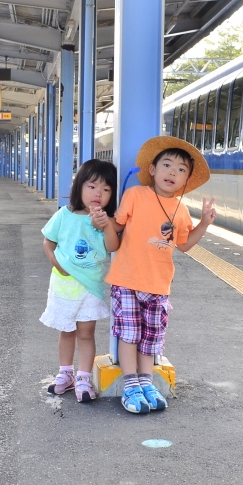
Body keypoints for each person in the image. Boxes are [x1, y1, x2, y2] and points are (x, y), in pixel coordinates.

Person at [104, 136, 216, 414]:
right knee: (129, 334)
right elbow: (116, 227)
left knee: (150, 338)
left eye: (181, 170)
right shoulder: (135, 195)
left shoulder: (181, 210)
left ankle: (146, 382)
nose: (172, 173)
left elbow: (185, 244)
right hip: (127, 278)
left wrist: (204, 223)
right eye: (167, 165)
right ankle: (130, 384)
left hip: (159, 284)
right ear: (152, 170)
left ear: (186, 180)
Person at [42, 159, 119, 403]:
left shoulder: (105, 220)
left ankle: (84, 377)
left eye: (106, 190)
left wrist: (105, 225)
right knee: (67, 331)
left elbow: (112, 246)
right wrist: (57, 265)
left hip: (90, 287)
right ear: (79, 188)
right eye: (92, 186)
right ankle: (66, 374)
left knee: (86, 333)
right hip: (64, 285)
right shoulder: (63, 215)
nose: (98, 193)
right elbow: (48, 242)